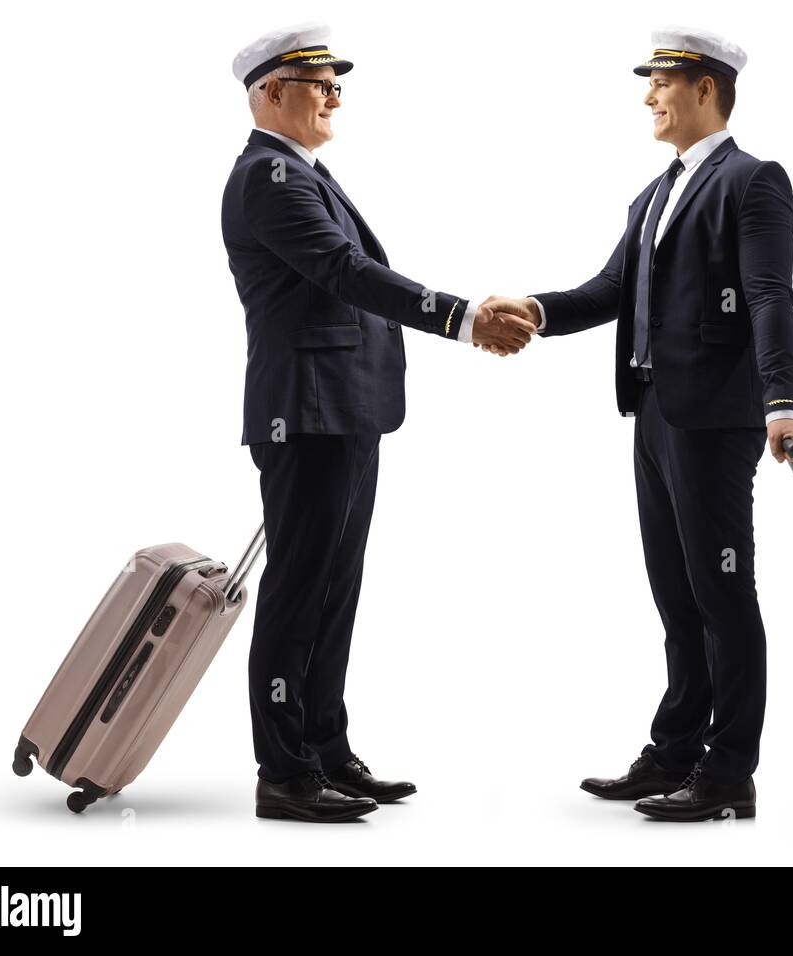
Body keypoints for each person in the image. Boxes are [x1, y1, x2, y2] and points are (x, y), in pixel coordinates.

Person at [482, 26, 793, 822]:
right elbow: (610, 291)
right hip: (655, 413)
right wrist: (536, 310)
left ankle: (729, 771)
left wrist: (782, 398)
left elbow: (769, 294)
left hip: (717, 420)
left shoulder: (753, 181)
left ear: (705, 87)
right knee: (676, 594)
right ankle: (673, 753)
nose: (649, 95)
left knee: (723, 593)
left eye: (661, 80)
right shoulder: (654, 194)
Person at [222, 22, 535, 822]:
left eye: (337, 81)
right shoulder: (271, 177)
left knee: (334, 592)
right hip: (308, 413)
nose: (333, 92)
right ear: (269, 91)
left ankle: (325, 747)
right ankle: (284, 773)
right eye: (315, 80)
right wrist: (462, 316)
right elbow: (343, 270)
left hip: (345, 412)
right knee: (299, 594)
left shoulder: (303, 173)